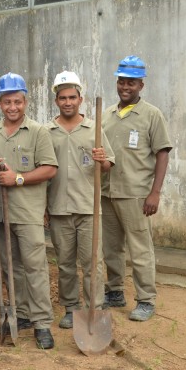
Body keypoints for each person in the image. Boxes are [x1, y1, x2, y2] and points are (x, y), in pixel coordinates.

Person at [0, 72, 58, 349]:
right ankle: (21, 314)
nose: (13, 107)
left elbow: (49, 169)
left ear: (26, 102)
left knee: (35, 267)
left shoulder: (38, 132)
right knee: (10, 267)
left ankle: (42, 322)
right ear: (0, 103)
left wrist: (18, 178)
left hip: (27, 213)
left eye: (18, 102)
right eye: (7, 102)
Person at [101, 55, 172, 322]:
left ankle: (146, 299)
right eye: (121, 82)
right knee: (111, 248)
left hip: (136, 194)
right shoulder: (107, 115)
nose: (125, 87)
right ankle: (115, 291)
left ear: (141, 85)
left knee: (140, 249)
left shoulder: (152, 115)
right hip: (107, 192)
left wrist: (155, 193)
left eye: (131, 82)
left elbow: (162, 154)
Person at [45, 71, 115, 329]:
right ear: (56, 101)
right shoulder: (47, 132)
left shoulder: (94, 129)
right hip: (59, 208)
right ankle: (71, 307)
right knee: (65, 264)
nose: (67, 102)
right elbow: (44, 172)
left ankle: (94, 308)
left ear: (80, 99)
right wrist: (44, 207)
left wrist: (102, 159)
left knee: (92, 263)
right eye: (62, 98)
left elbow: (109, 164)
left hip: (88, 208)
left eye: (72, 97)